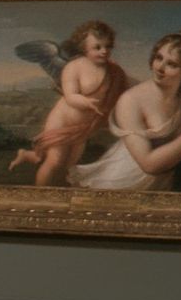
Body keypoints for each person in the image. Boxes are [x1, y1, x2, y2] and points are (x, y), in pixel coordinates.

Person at [76, 31, 181, 193]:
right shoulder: (132, 100)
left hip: (169, 183)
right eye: (159, 58)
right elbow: (149, 165)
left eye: (172, 64)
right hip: (129, 183)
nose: (160, 68)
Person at [10, 19, 128, 186]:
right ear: (84, 47)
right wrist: (86, 102)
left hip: (82, 127)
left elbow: (121, 93)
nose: (104, 51)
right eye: (97, 47)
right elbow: (71, 96)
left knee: (69, 164)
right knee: (55, 162)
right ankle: (39, 196)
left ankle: (33, 163)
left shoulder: (114, 71)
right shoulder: (74, 67)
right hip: (62, 122)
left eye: (108, 46)